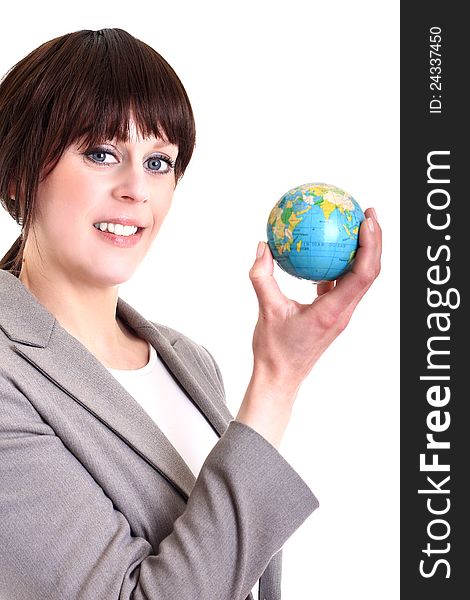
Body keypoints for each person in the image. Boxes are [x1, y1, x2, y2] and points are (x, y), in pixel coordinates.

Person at [0, 28, 381, 600]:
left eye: (159, 162)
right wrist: (278, 379)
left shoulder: (189, 362)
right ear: (17, 172)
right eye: (101, 153)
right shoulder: (8, 376)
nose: (137, 189)